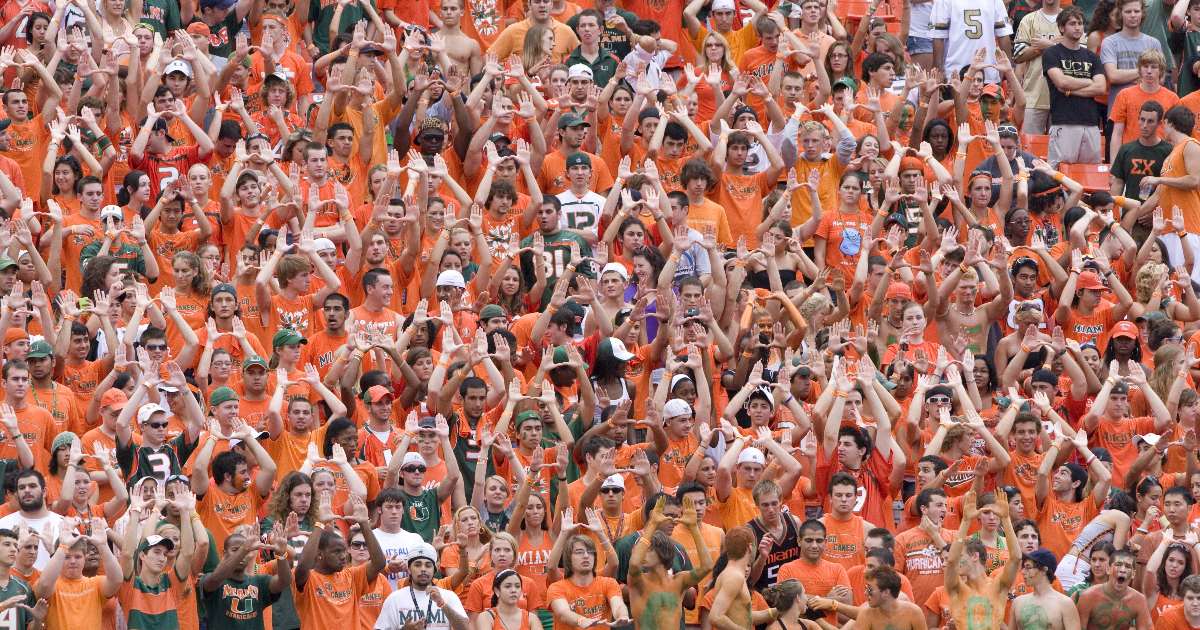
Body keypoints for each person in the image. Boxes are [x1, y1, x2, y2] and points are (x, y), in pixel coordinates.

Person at [627, 496, 713, 630]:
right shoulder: (639, 582)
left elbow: (707, 566)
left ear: (662, 552)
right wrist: (653, 524)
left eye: (648, 550)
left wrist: (694, 527)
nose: (642, 554)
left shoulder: (679, 581)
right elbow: (633, 564)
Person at [1042, 6, 1107, 168]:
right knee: (1060, 171)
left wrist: (1070, 89)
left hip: (1091, 123)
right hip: (1064, 121)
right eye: (1072, 23)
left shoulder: (1092, 57)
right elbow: (1061, 82)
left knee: (1091, 173)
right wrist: (1088, 81)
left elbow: (1100, 87)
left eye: (1080, 23)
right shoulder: (1052, 54)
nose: (1078, 27)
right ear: (1061, 28)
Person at [202, 530, 293, 630]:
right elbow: (215, 579)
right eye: (235, 550)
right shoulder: (212, 579)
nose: (241, 554)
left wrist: (281, 554)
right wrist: (244, 549)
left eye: (246, 551)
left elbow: (284, 581)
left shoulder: (259, 581)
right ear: (224, 553)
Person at [374, 543, 470, 630]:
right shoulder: (394, 599)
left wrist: (442, 603)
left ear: (434, 570)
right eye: (418, 565)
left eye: (428, 566)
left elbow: (465, 628)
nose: (423, 569)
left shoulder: (449, 596)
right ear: (409, 569)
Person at [1011, 548, 1082, 630]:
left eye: (1028, 567)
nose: (1023, 572)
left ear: (1044, 570)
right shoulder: (1018, 602)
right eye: (1023, 567)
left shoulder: (1064, 604)